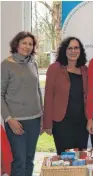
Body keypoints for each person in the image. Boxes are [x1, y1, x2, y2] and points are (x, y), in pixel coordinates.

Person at [1, 31, 43, 176]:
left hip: (35, 120)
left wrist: (41, 116)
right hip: (16, 122)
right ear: (17, 44)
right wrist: (9, 119)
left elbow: (37, 90)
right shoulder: (6, 65)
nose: (27, 46)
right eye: (24, 43)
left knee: (30, 159)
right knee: (19, 160)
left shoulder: (34, 64)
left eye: (30, 44)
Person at [43, 37, 89, 155]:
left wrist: (90, 119)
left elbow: (89, 97)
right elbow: (48, 97)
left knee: (80, 158)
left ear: (80, 50)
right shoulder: (55, 68)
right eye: (70, 48)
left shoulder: (85, 70)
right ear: (64, 50)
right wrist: (47, 123)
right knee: (65, 158)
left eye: (76, 48)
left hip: (82, 123)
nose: (73, 51)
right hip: (62, 123)